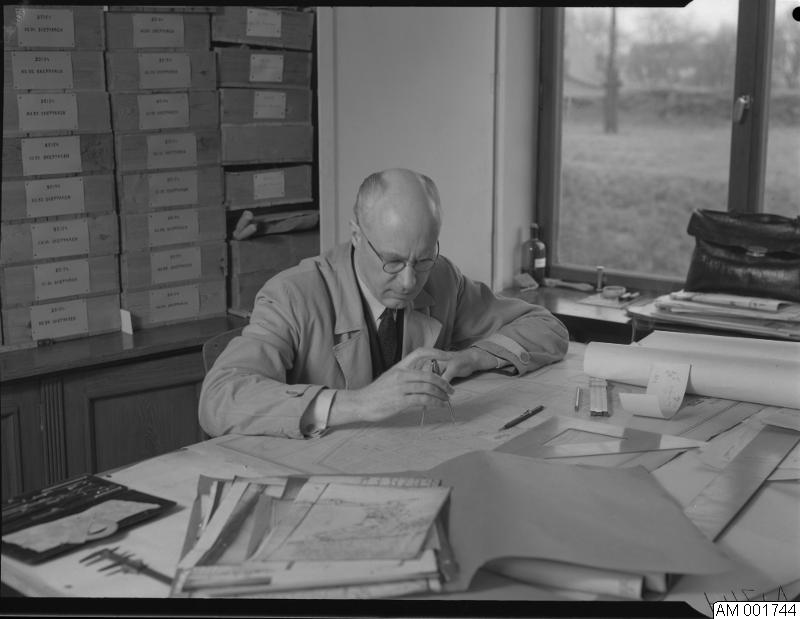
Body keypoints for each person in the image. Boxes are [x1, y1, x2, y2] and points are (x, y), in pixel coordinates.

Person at [199, 168, 569, 438]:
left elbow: (547, 328)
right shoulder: (292, 295)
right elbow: (218, 399)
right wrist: (361, 403)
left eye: (422, 260)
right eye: (392, 261)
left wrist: (471, 358)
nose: (409, 282)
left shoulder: (442, 278)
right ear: (356, 235)